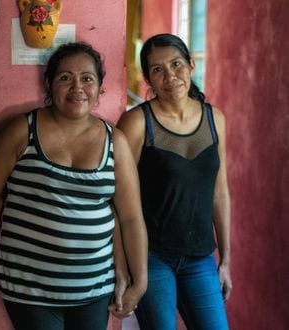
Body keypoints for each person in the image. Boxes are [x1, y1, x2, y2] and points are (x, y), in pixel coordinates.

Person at [0, 42, 148, 330]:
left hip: (95, 287)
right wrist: (29, 229)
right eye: (65, 77)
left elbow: (131, 217)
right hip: (29, 287)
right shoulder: (22, 130)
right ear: (49, 85)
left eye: (87, 78)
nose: (77, 87)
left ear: (100, 87)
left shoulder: (116, 141)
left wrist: (139, 281)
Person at [117, 33, 232, 329]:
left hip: (201, 257)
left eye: (176, 64)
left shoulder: (214, 119)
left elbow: (220, 192)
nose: (170, 76)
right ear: (148, 80)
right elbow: (115, 201)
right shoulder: (137, 123)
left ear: (191, 65)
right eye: (157, 69)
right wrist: (123, 270)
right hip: (152, 258)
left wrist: (226, 260)